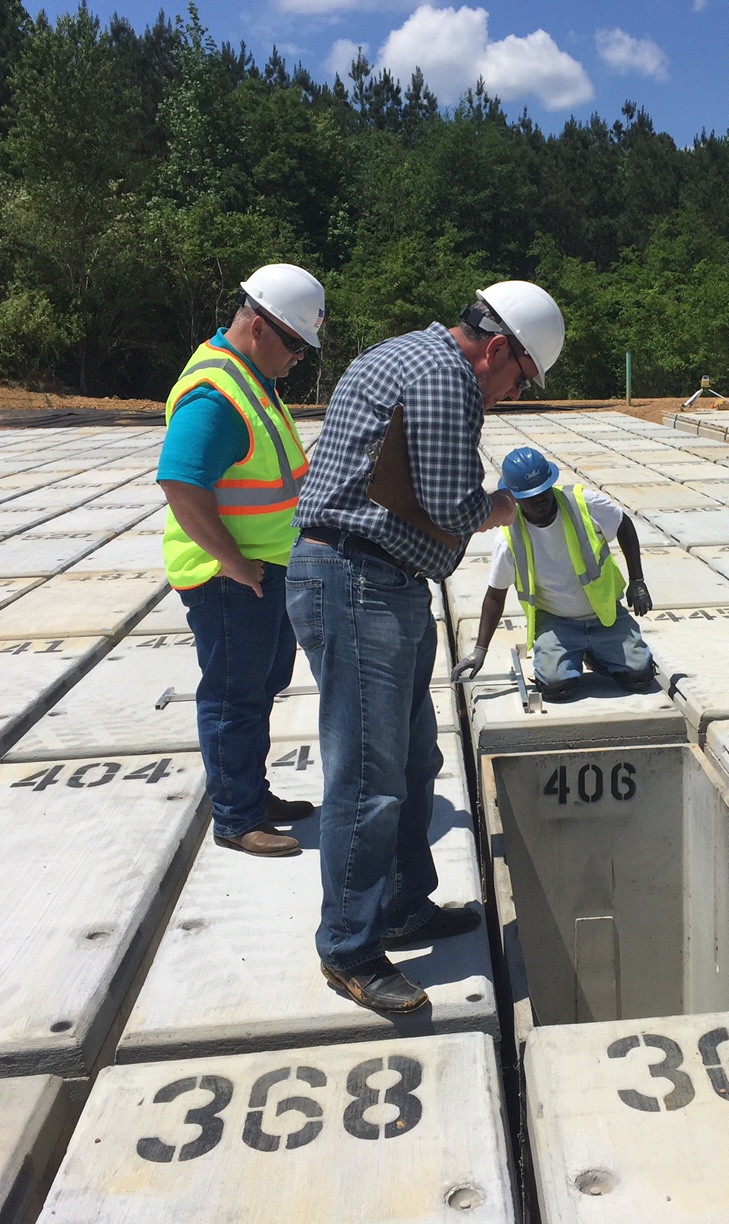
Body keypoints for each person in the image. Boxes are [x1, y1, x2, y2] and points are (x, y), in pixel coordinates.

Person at [289, 280, 565, 1014]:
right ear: (498, 348)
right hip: (358, 580)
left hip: (371, 577)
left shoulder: (409, 356)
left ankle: (406, 903)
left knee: (412, 760)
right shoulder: (447, 377)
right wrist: (502, 507)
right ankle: (349, 948)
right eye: (519, 379)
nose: (510, 396)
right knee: (369, 777)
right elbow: (450, 505)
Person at [157, 263, 325, 857]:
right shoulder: (216, 395)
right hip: (230, 579)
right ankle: (234, 818)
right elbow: (180, 483)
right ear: (258, 326)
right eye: (296, 344)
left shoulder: (251, 379)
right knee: (233, 696)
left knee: (260, 685)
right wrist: (231, 562)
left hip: (264, 569)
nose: (299, 358)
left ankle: (251, 793)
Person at [452, 447, 655, 700]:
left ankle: (596, 654)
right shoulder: (509, 539)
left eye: (542, 490)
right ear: (514, 497)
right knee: (555, 688)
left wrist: (638, 581)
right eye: (530, 495)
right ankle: (570, 655)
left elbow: (623, 524)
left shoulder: (584, 505)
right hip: (558, 623)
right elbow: (495, 596)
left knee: (640, 677)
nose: (539, 499)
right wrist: (480, 650)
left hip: (605, 616)